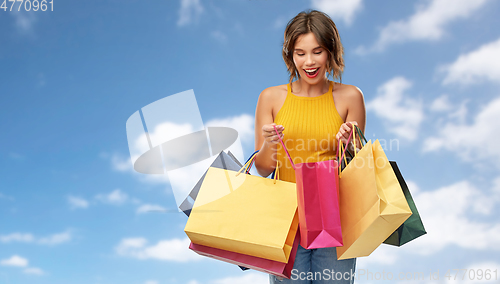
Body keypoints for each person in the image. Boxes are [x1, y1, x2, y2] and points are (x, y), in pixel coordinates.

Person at [253, 10, 366, 284]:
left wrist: (351, 145)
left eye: (317, 51)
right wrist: (270, 145)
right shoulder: (270, 98)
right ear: (290, 55)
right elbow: (263, 169)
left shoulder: (350, 97)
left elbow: (358, 169)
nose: (310, 61)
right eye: (300, 53)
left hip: (335, 219)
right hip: (286, 220)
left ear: (331, 51)